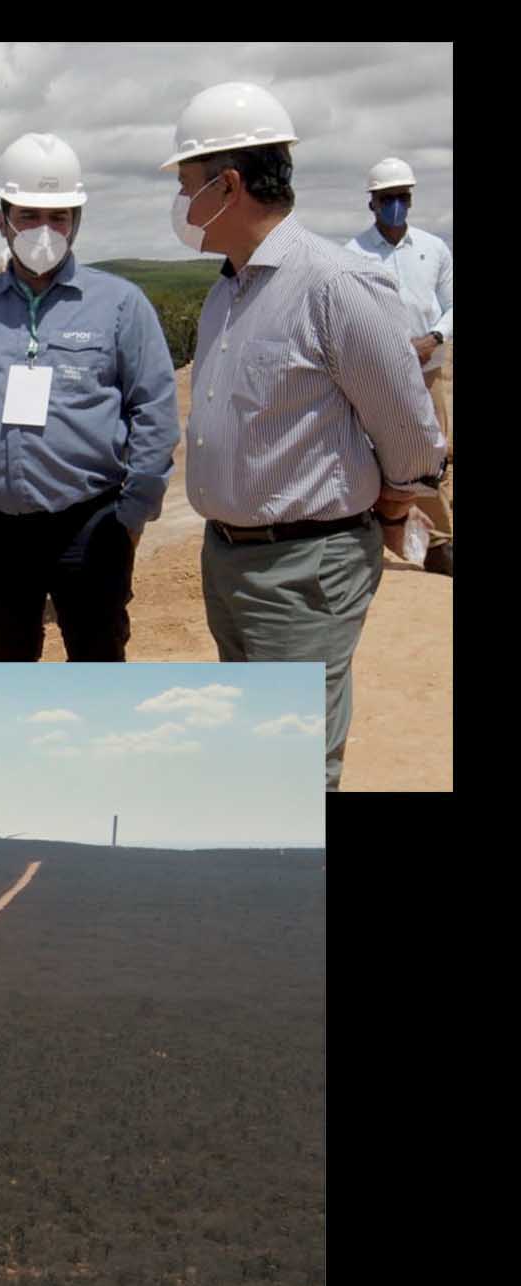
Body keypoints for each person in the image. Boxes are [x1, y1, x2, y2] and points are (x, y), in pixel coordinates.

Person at [162, 82, 445, 790]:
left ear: (227, 186)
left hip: (304, 570)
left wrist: (390, 505)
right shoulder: (231, 287)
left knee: (294, 771)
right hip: (229, 560)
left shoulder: (334, 284)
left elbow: (411, 432)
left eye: (187, 184)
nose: (182, 203)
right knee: (259, 756)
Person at [0, 133, 179, 661]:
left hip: (90, 523)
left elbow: (154, 410)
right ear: (2, 219)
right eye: (29, 215)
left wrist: (131, 516)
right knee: (9, 665)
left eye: (58, 217)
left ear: (76, 221)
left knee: (98, 659)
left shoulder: (120, 304)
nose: (44, 231)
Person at [346, 156, 454, 575]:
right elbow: (351, 313)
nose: (395, 205)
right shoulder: (353, 254)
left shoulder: (433, 249)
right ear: (371, 203)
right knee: (386, 456)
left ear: (410, 200)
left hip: (427, 371)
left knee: (434, 457)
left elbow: (449, 305)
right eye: (387, 198)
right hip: (380, 376)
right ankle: (384, 535)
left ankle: (438, 545)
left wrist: (434, 338)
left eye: (402, 197)